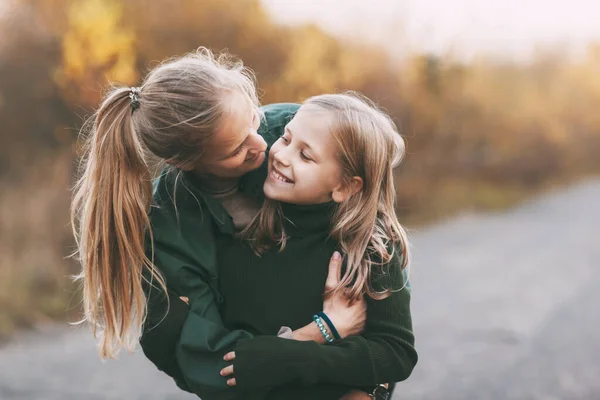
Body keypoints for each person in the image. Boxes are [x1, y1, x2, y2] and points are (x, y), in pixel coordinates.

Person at [71, 48, 369, 399]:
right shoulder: (167, 227)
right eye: (236, 151)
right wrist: (319, 332)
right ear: (183, 162)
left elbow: (369, 186)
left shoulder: (293, 131)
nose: (264, 146)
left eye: (254, 121)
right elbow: (213, 363)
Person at [212, 93, 417, 399]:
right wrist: (325, 332)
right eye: (285, 138)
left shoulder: (369, 248)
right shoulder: (245, 231)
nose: (280, 155)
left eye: (305, 156)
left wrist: (290, 358)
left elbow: (395, 353)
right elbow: (233, 356)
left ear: (345, 186)